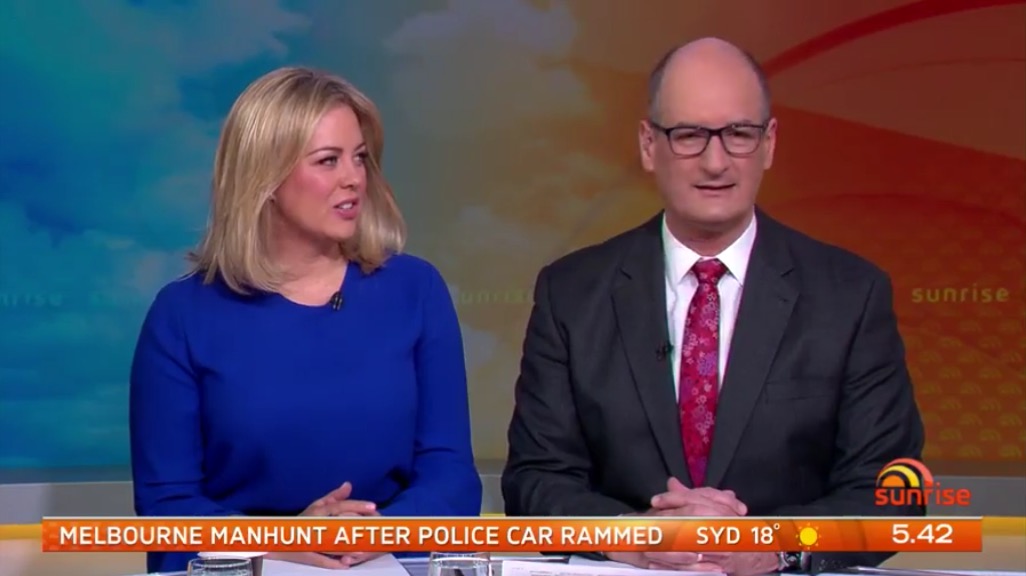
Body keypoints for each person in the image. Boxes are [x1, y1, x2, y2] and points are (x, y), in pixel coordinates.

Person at [502, 37, 925, 575]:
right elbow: (536, 480)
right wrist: (635, 539)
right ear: (649, 144)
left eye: (739, 134)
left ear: (769, 143)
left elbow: (891, 495)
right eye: (689, 135)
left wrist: (773, 544)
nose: (716, 161)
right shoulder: (571, 293)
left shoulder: (850, 294)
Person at [129, 66, 482, 573]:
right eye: (328, 160)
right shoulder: (181, 316)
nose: (353, 178)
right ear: (265, 177)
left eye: (360, 157)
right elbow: (167, 508)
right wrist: (281, 542)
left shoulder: (415, 290)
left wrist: (382, 532)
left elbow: (451, 476)